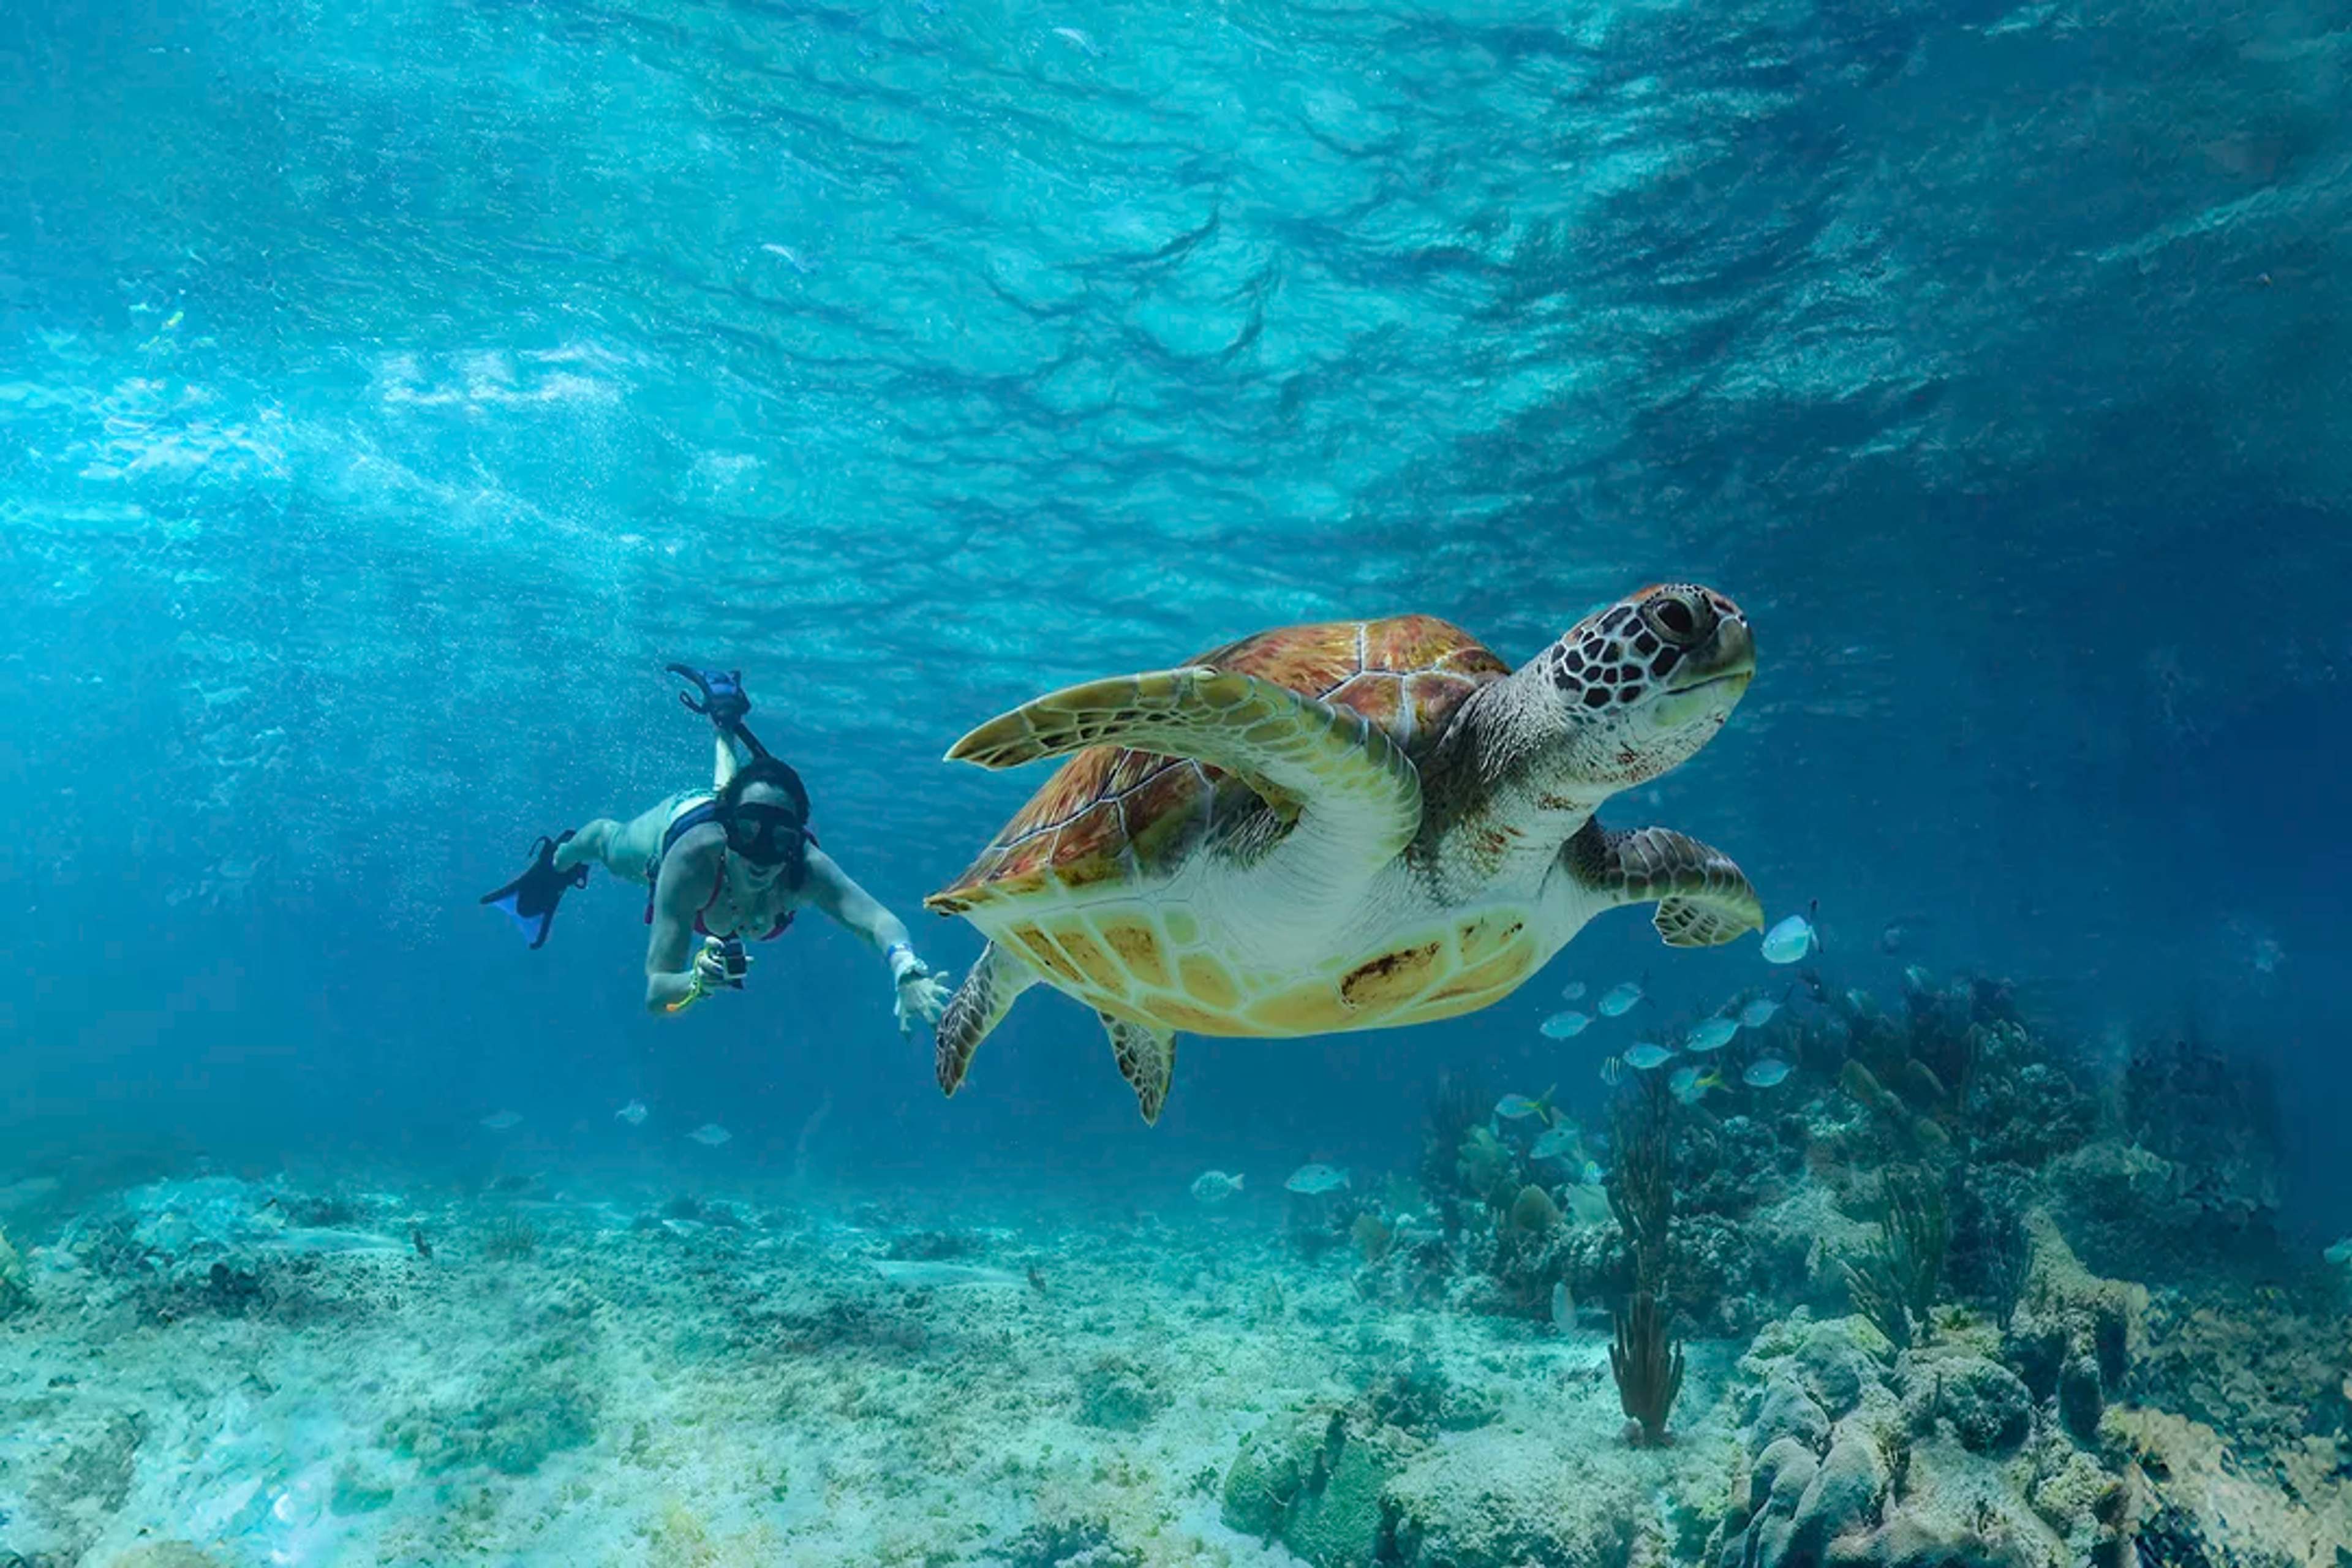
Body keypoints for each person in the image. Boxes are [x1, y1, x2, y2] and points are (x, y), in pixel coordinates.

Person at [480, 666, 952, 1031]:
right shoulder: (688, 864)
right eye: (750, 833)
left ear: (797, 841)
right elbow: (655, 997)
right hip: (684, 823)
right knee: (608, 843)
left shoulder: (804, 868)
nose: (762, 856)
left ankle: (724, 724)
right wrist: (695, 982)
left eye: (781, 839)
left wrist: (905, 968)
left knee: (737, 794)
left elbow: (878, 921)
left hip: (728, 812)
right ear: (732, 831)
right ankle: (559, 860)